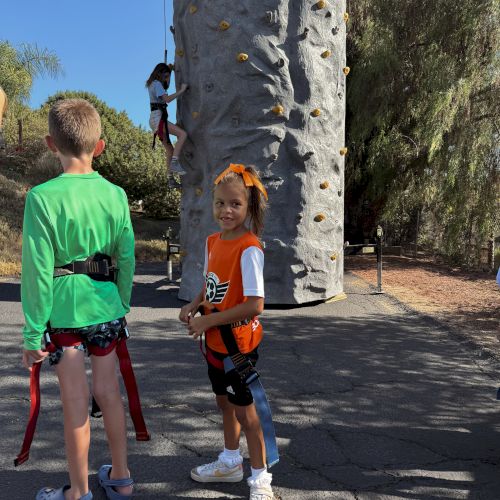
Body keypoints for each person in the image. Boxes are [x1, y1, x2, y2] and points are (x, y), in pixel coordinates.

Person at [21, 98, 136, 500]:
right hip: (106, 307)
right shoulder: (116, 194)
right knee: (109, 392)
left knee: (75, 402)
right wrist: (121, 301)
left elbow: (37, 270)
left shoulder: (42, 197)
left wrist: (33, 332)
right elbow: (126, 255)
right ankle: (120, 477)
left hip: (65, 313)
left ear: (51, 144)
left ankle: (79, 492)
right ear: (99, 146)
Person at [179, 163, 275, 500]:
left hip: (239, 347)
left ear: (249, 207)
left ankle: (261, 479)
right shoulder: (211, 242)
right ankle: (231, 462)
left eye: (235, 203)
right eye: (220, 203)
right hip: (215, 343)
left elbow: (254, 305)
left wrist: (207, 321)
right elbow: (211, 287)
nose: (226, 210)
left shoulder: (249, 248)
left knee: (247, 414)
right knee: (225, 405)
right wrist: (194, 305)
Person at [146, 62, 188, 178]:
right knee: (183, 134)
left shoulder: (152, 84)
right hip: (159, 119)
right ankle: (175, 163)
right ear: (161, 74)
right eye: (166, 76)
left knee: (169, 150)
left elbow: (166, 86)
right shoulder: (157, 85)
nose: (167, 79)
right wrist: (182, 90)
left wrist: (169, 71)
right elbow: (167, 99)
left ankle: (170, 178)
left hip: (154, 120)